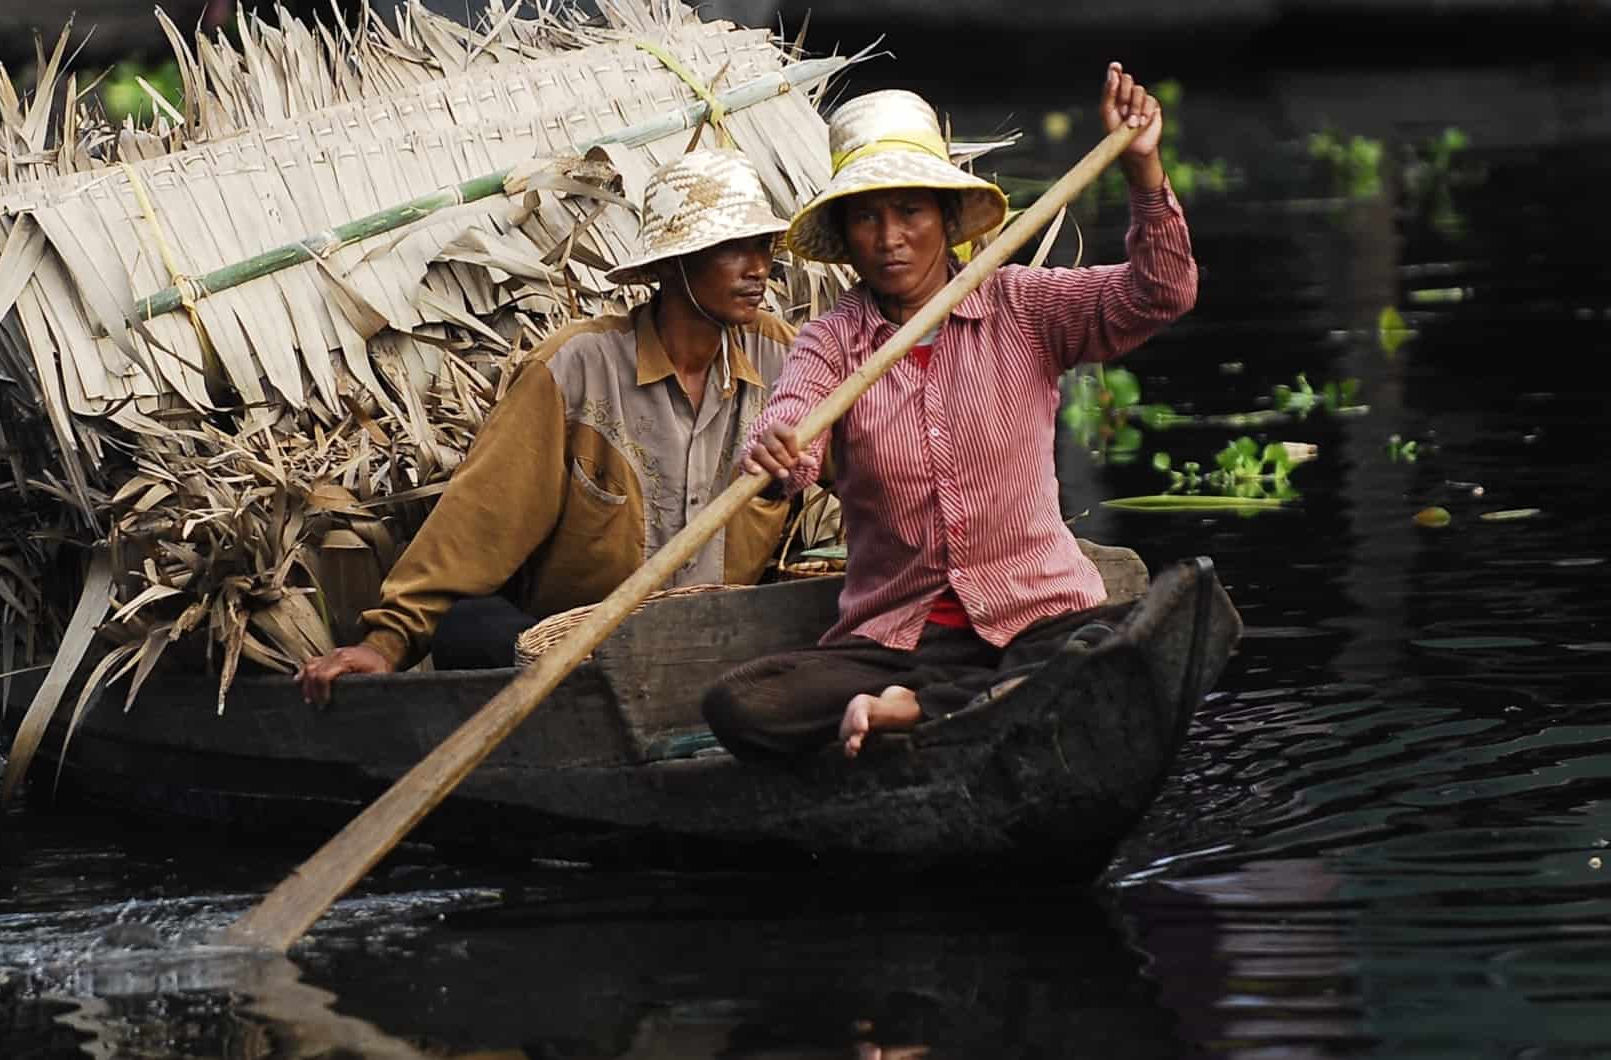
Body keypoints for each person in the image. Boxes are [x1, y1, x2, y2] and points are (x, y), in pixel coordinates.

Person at [701, 64, 1198, 758]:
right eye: (867, 216)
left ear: (944, 218)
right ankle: (942, 700)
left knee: (1097, 648)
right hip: (899, 644)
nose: (890, 237)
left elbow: (1160, 294)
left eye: (910, 211)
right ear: (845, 235)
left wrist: (1144, 172)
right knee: (743, 703)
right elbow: (792, 422)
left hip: (1039, 621)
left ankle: (925, 711)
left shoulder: (1021, 307)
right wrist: (779, 448)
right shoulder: (833, 341)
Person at [299, 149, 800, 704]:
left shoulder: (787, 362)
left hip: (723, 649)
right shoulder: (577, 369)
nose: (757, 269)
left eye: (762, 248)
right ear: (671, 264)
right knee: (469, 626)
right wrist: (388, 644)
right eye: (733, 249)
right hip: (581, 659)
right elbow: (479, 522)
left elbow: (868, 470)